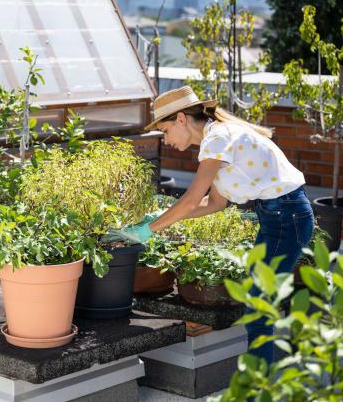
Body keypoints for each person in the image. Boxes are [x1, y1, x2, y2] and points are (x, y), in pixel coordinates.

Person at [109, 85, 314, 365]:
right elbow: (215, 203)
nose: (166, 140)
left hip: (286, 216)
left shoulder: (217, 139)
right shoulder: (218, 141)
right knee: (260, 303)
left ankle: (260, 389)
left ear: (181, 119)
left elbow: (192, 199)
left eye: (165, 131)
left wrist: (149, 230)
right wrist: (157, 222)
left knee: (258, 306)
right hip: (278, 216)